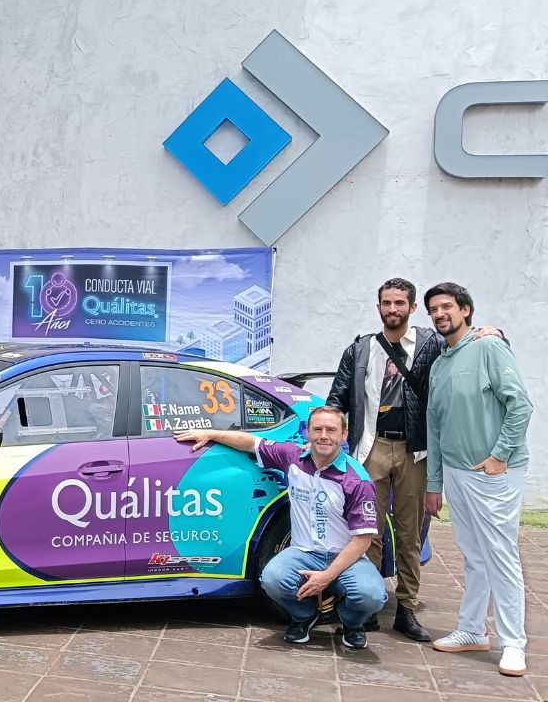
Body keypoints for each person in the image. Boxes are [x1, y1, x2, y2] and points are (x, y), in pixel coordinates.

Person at [327, 278, 503, 642]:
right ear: (378, 307)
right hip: (370, 448)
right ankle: (367, 605)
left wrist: (495, 334)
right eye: (386, 303)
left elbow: (469, 347)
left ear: (412, 307)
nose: (392, 309)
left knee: (410, 533)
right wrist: (327, 433)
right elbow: (337, 398)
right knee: (367, 530)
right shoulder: (360, 349)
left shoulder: (432, 344)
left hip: (415, 450)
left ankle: (406, 609)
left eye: (399, 303)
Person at [174, 406, 387, 650]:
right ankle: (304, 616)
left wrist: (327, 577)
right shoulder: (293, 457)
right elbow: (251, 443)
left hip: (346, 557)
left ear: (344, 434)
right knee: (272, 578)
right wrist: (211, 434)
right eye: (317, 429)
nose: (323, 436)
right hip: (304, 552)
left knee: (371, 595)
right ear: (307, 432)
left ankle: (352, 623)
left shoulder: (357, 480)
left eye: (331, 430)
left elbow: (362, 541)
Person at [423, 282, 532, 677]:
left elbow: (520, 405)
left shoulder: (489, 346)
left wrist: (500, 456)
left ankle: (513, 643)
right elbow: (435, 426)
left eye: (447, 306)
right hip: (456, 473)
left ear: (465, 309)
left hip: (493, 474)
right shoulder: (439, 364)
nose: (440, 314)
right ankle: (472, 630)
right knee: (474, 556)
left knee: (500, 555)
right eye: (434, 309)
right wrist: (434, 482)